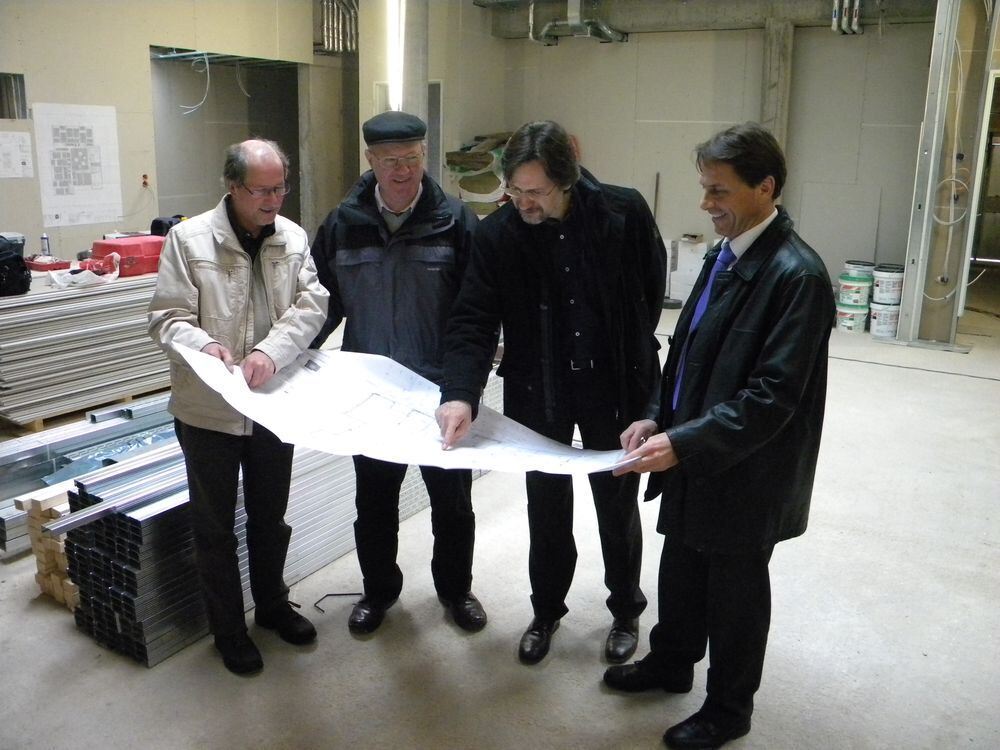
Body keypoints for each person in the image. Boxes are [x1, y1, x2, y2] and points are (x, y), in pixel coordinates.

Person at [602, 122, 835, 749]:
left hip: (748, 467)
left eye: (719, 190)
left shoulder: (797, 277)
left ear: (766, 187)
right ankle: (671, 661)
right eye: (705, 188)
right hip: (696, 449)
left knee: (734, 590)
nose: (706, 203)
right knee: (681, 564)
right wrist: (658, 415)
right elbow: (686, 355)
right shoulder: (723, 255)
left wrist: (684, 443)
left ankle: (729, 709)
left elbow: (772, 397)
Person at [435, 120, 666, 666]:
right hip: (539, 388)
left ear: (566, 179)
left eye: (535, 191)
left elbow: (650, 291)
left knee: (616, 502)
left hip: (612, 384)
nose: (523, 202)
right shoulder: (498, 235)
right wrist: (460, 393)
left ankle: (626, 609)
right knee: (545, 505)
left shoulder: (624, 212)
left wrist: (632, 358)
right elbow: (473, 319)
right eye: (515, 190)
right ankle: (546, 611)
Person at [148, 139, 329, 675]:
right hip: (207, 410)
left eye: (280, 188)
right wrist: (204, 346)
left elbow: (312, 303)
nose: (273, 200)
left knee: (270, 518)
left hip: (271, 406)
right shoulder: (188, 240)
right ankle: (229, 630)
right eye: (261, 190)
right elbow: (166, 317)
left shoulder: (292, 238)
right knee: (214, 529)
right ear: (232, 186)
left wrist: (271, 353)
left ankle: (273, 606)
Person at [310, 111, 487, 636]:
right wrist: (289, 363)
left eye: (411, 158)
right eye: (390, 161)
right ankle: (379, 592)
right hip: (372, 394)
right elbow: (320, 306)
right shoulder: (342, 224)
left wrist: (464, 390)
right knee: (374, 503)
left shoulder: (457, 221)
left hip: (439, 393)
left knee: (452, 504)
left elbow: (475, 315)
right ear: (371, 160)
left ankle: (455, 590)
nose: (403, 170)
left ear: (423, 155)